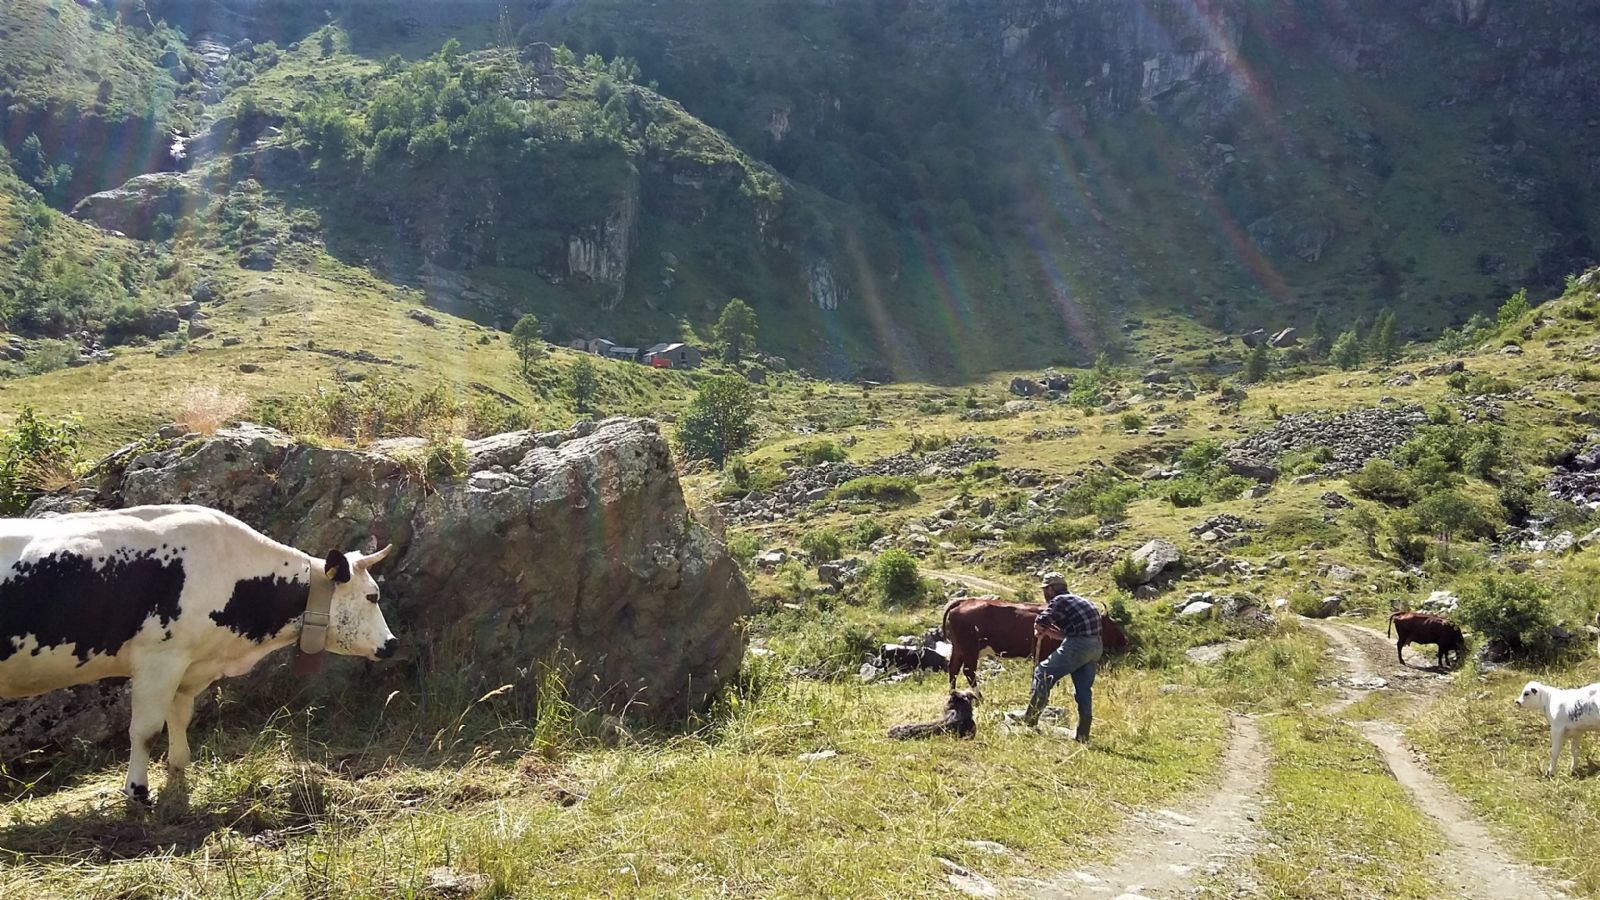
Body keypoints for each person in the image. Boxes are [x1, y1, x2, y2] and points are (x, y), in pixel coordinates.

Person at [1022, 572, 1103, 741]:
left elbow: (1041, 621)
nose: (1044, 594)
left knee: (1042, 673)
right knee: (1083, 689)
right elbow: (1068, 635)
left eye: (1045, 590)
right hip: (1095, 646)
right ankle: (1083, 734)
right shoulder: (1082, 600)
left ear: (1051, 589)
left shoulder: (1059, 600)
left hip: (1079, 645)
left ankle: (1030, 721)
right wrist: (1049, 632)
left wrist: (1038, 629)